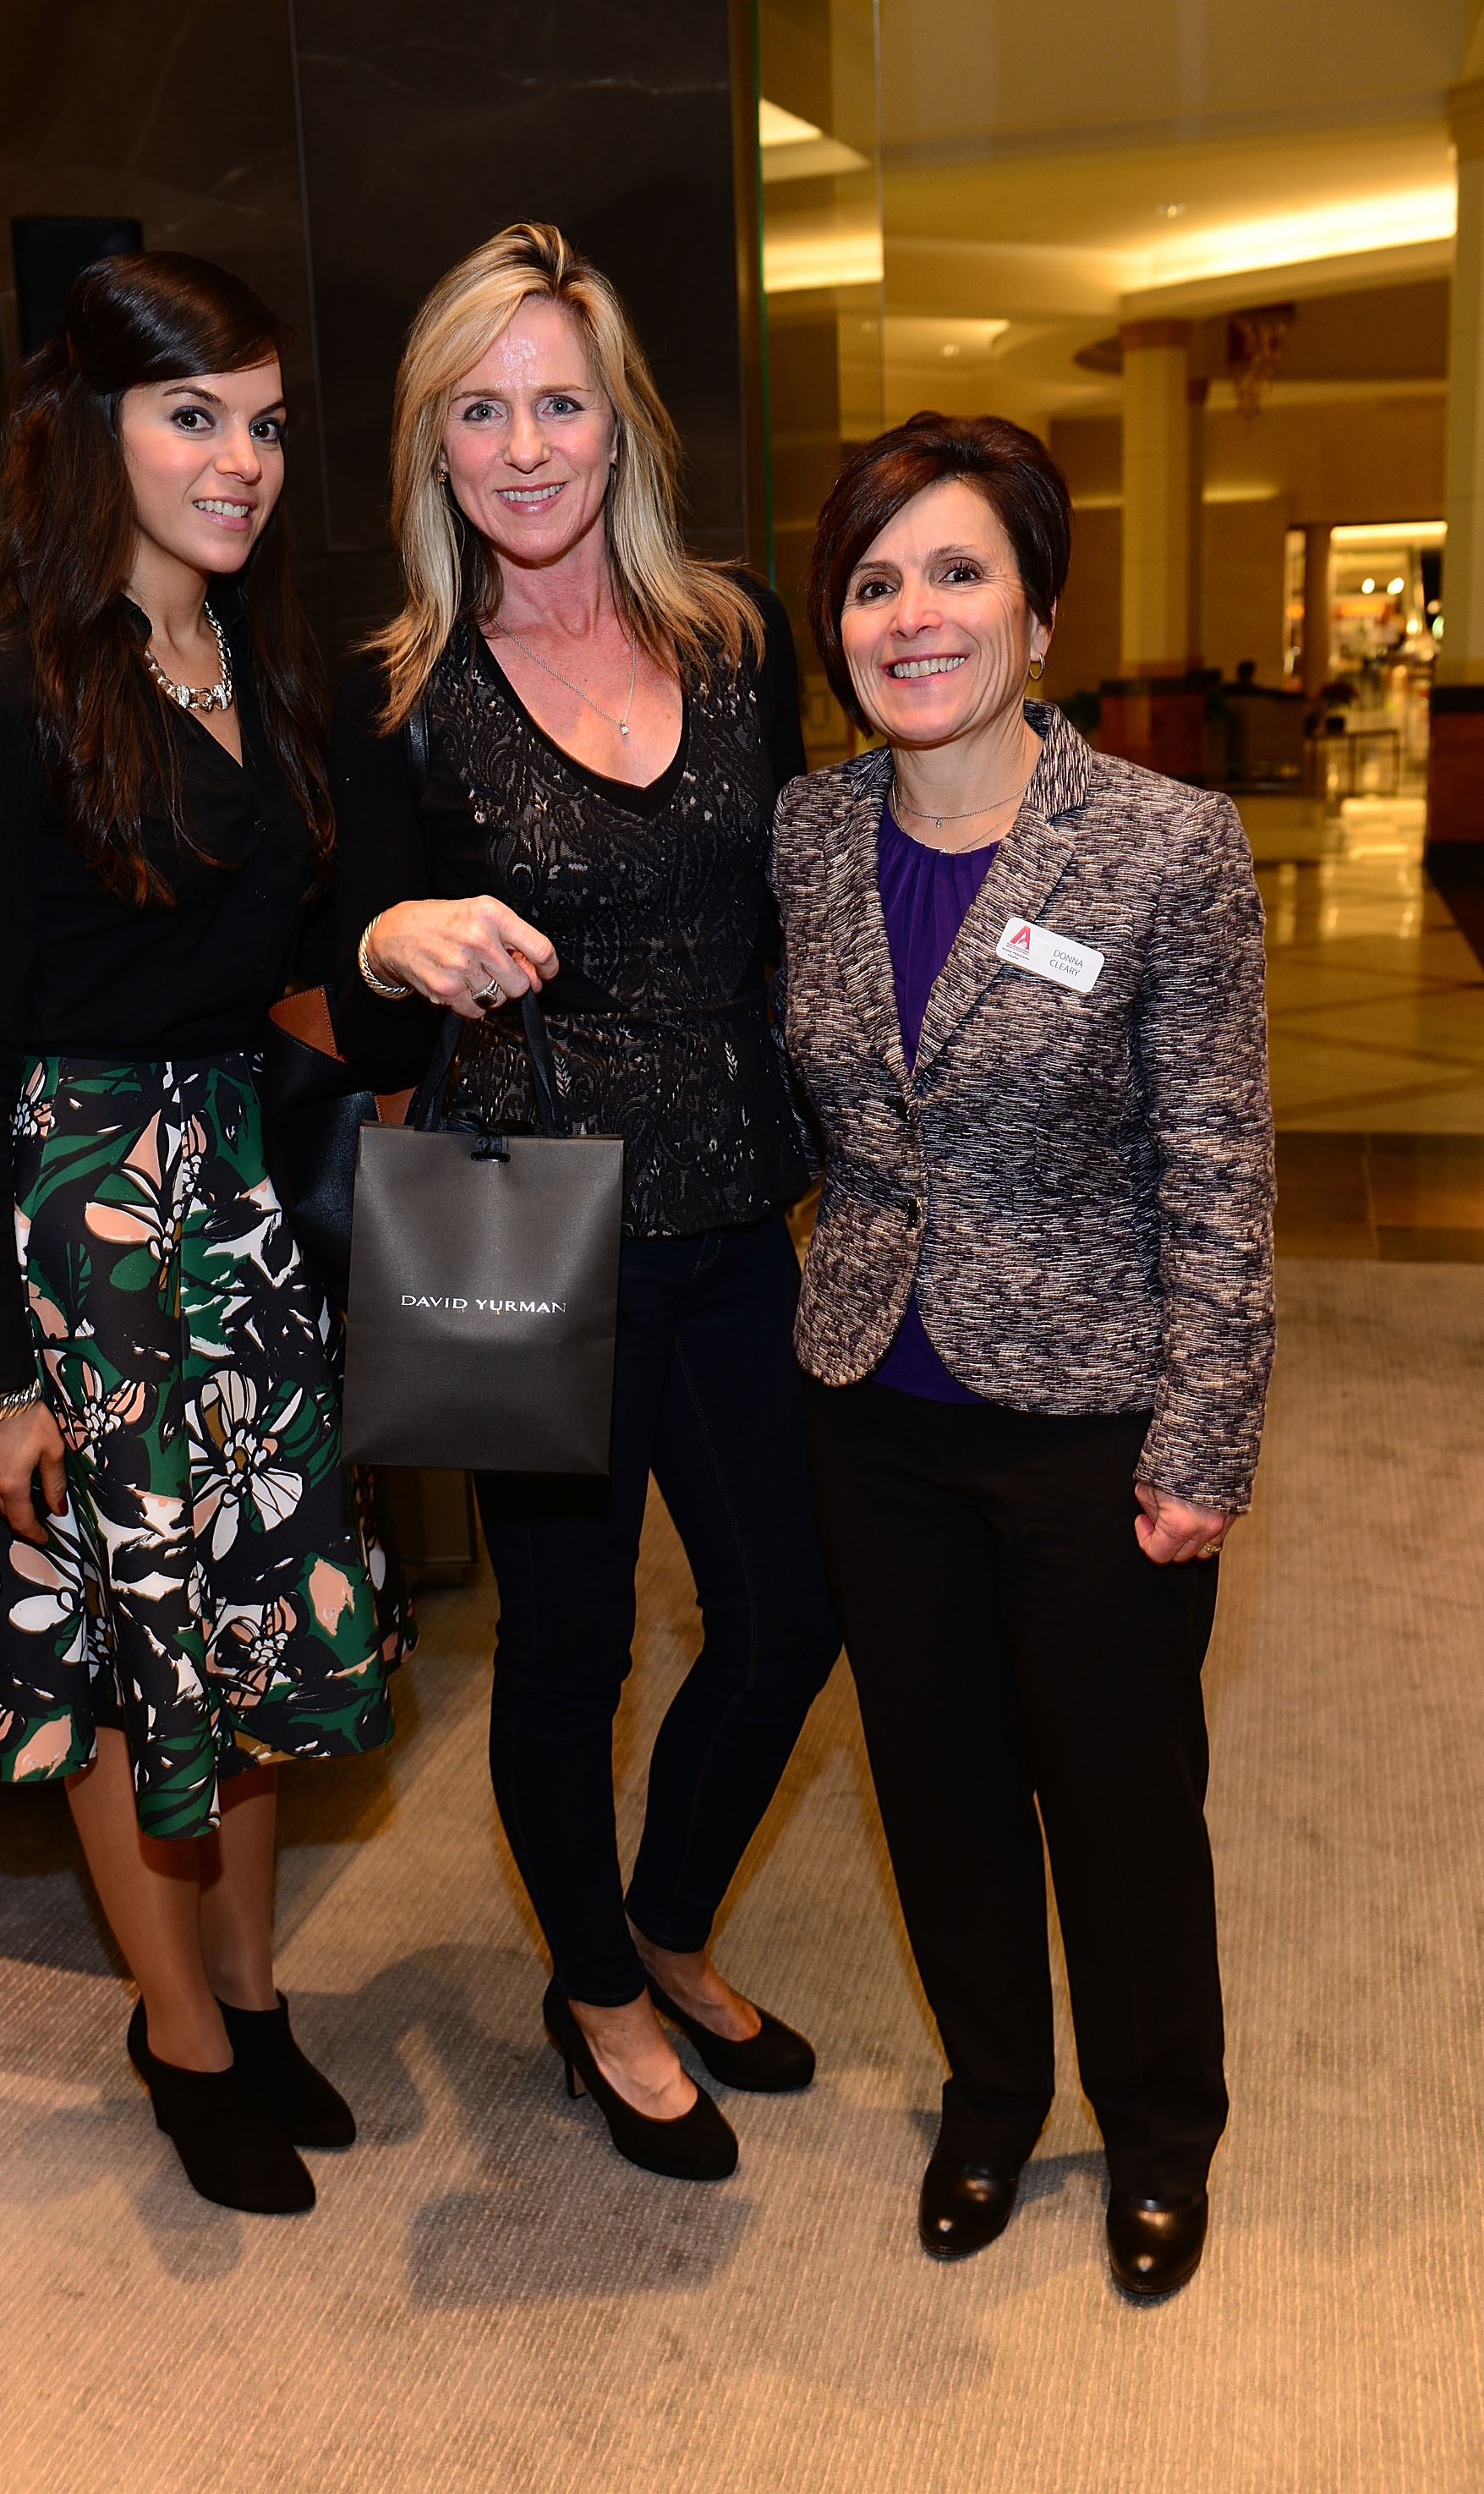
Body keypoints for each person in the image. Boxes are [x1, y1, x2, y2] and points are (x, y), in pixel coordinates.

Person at [0, 252, 413, 2217]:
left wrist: (394, 942)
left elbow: (300, 971)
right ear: (91, 428)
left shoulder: (273, 684)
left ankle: (258, 1996)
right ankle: (177, 2034)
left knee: (266, 1630)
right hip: (68, 1226)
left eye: (267, 422)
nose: (243, 459)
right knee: (129, 1665)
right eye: (193, 414)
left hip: (238, 1212)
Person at [333, 222, 841, 2181]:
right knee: (563, 1652)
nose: (526, 445)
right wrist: (391, 931)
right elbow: (320, 946)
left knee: (786, 1618)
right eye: (482, 407)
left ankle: (670, 1919)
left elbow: (795, 906)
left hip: (730, 1217)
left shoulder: (727, 641)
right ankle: (597, 1993)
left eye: (559, 399)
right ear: (433, 448)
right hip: (512, 1230)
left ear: (617, 425)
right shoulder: (399, 689)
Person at [771, 412, 1273, 2299]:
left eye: (956, 570)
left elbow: (1218, 1165)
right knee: (939, 1781)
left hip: (1093, 1419)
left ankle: (1158, 2131)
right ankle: (990, 2100)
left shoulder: (1160, 846)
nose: (911, 614)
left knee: (1119, 1799)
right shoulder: (807, 834)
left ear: (1036, 616)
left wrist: (1203, 1436)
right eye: (875, 579)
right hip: (868, 1407)